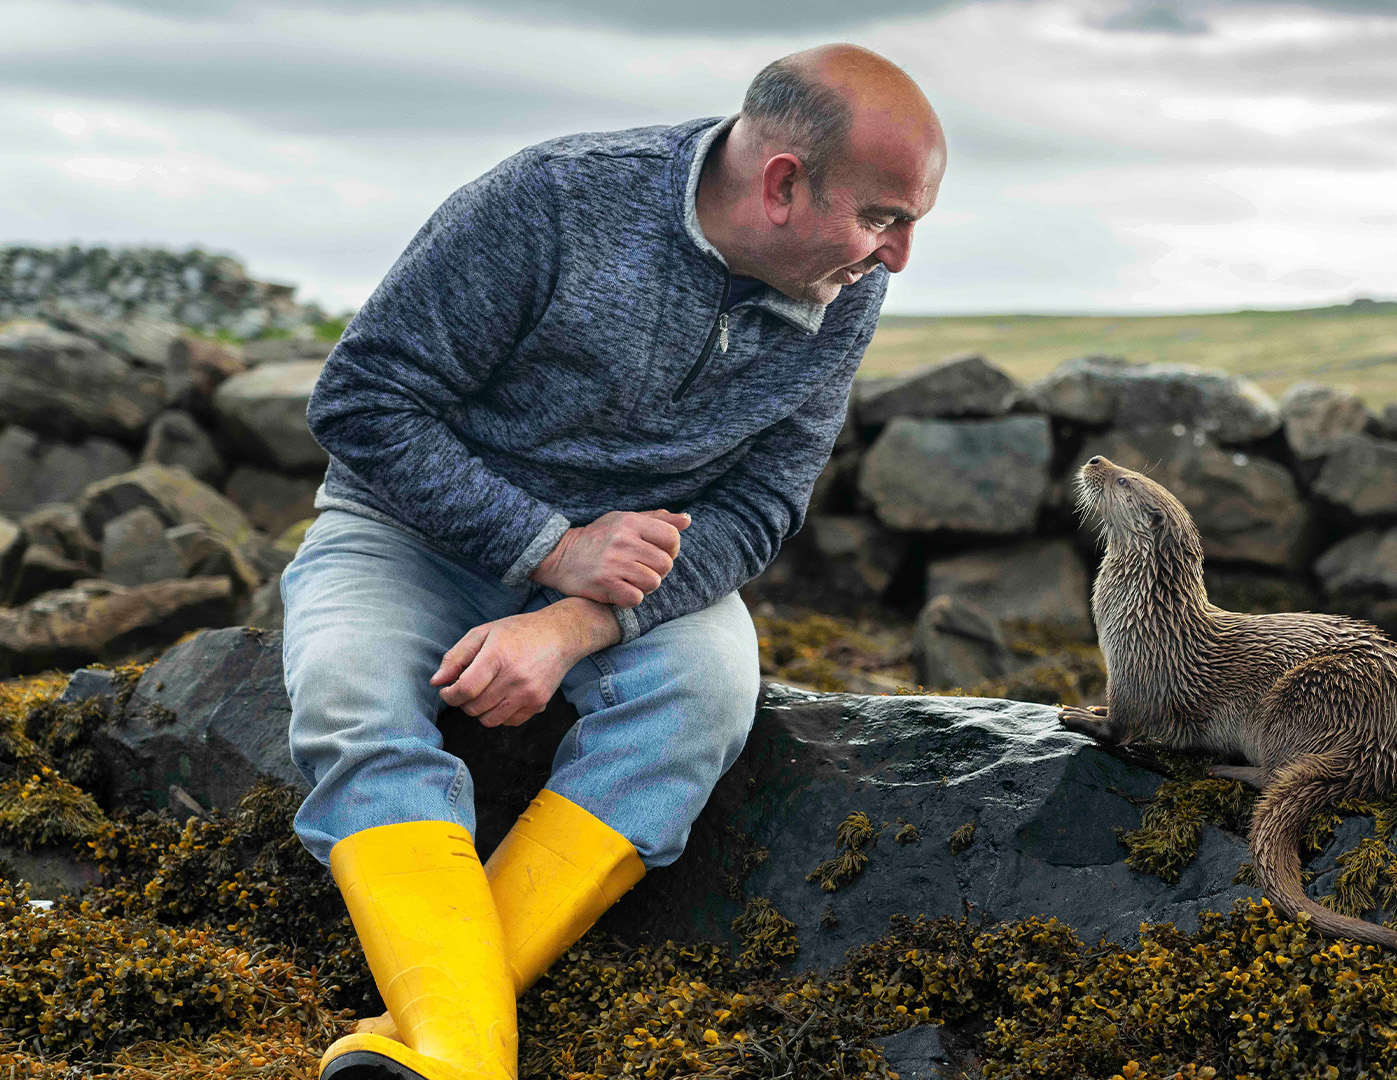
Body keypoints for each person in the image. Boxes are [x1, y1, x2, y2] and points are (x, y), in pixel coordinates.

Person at [279, 43, 945, 1080]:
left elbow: (763, 507)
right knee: (348, 694)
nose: (895, 257)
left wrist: (573, 619)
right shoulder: (551, 201)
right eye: (883, 219)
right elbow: (362, 402)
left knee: (707, 695)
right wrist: (549, 549)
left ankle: (447, 1040)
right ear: (781, 184)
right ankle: (470, 1051)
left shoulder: (844, 284)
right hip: (410, 534)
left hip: (638, 576)